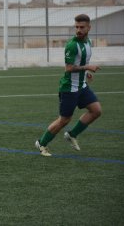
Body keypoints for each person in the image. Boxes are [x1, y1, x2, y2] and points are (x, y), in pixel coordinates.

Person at [35, 14, 102, 156]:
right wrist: (87, 68)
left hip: (82, 86)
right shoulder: (72, 45)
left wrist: (86, 73)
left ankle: (72, 135)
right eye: (76, 27)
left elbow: (80, 63)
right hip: (69, 88)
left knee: (96, 110)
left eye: (81, 27)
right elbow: (69, 68)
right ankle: (41, 143)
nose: (78, 30)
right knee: (64, 120)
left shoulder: (88, 42)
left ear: (89, 28)